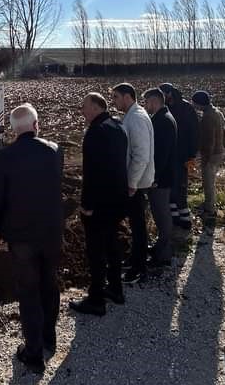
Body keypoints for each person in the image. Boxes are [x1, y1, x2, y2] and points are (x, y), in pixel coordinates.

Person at [0, 104, 65, 374]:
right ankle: (48, 339)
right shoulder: (54, 152)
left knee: (29, 291)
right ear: (36, 125)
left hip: (21, 238)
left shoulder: (5, 157)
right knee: (49, 286)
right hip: (51, 233)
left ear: (14, 131)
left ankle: (33, 352)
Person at [70, 92, 129, 316]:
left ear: (95, 107)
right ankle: (115, 288)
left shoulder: (95, 132)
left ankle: (95, 299)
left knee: (95, 251)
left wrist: (87, 204)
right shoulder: (117, 126)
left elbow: (93, 173)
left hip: (100, 204)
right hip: (117, 200)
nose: (82, 110)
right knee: (112, 243)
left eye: (84, 106)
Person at [111, 83, 155, 283]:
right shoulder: (133, 115)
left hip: (136, 183)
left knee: (138, 225)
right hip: (136, 181)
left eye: (116, 97)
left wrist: (132, 182)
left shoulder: (136, 118)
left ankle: (139, 268)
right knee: (136, 223)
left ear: (127, 97)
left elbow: (141, 155)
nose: (114, 101)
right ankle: (135, 259)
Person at [142, 88, 177, 267]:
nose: (146, 106)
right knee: (160, 213)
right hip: (162, 176)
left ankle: (163, 254)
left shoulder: (163, 121)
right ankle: (161, 248)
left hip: (161, 179)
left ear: (154, 101)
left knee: (161, 214)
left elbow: (161, 154)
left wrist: (154, 177)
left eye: (147, 102)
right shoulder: (164, 117)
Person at [159, 83, 199, 229]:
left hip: (182, 155)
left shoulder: (185, 108)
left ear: (169, 93)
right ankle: (175, 217)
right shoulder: (168, 108)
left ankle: (185, 219)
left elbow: (194, 133)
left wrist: (191, 155)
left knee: (180, 186)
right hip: (172, 154)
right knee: (171, 186)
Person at [191, 90, 225, 227]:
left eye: (195, 103)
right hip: (219, 151)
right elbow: (224, 131)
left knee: (208, 182)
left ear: (199, 104)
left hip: (211, 154)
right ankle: (208, 204)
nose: (194, 106)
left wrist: (205, 158)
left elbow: (209, 140)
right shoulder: (217, 112)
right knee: (211, 181)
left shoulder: (207, 117)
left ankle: (210, 209)